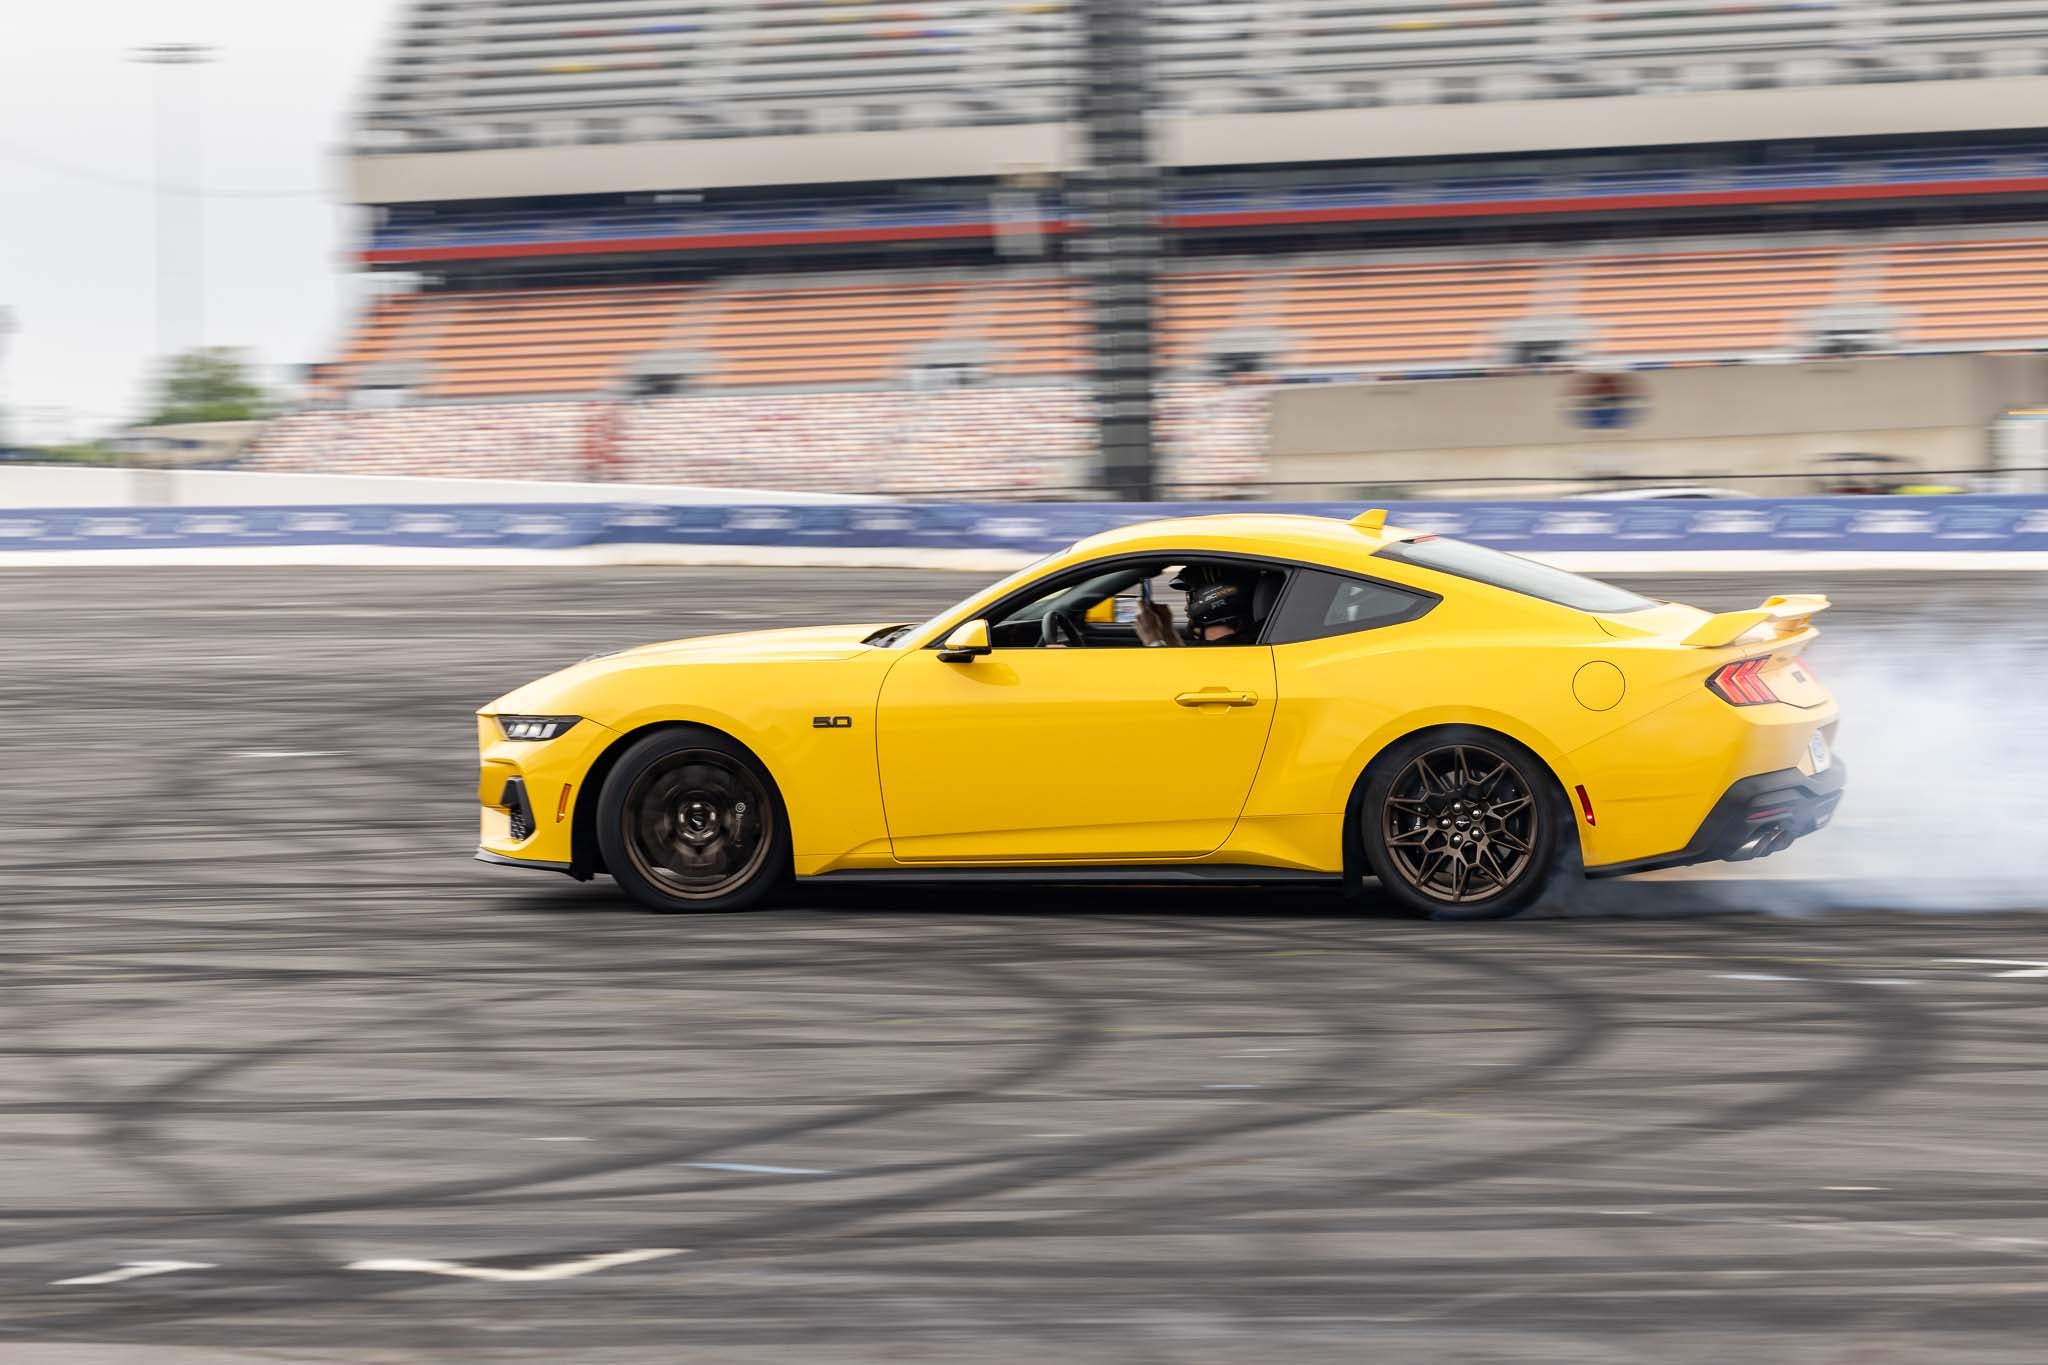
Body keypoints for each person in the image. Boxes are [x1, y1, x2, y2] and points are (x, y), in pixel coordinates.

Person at [1135, 573, 1257, 646]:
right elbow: (1188, 666)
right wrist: (1166, 631)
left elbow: (1186, 681)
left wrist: (1153, 640)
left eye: (1192, 596)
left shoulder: (1234, 650)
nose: (1186, 608)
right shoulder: (1250, 641)